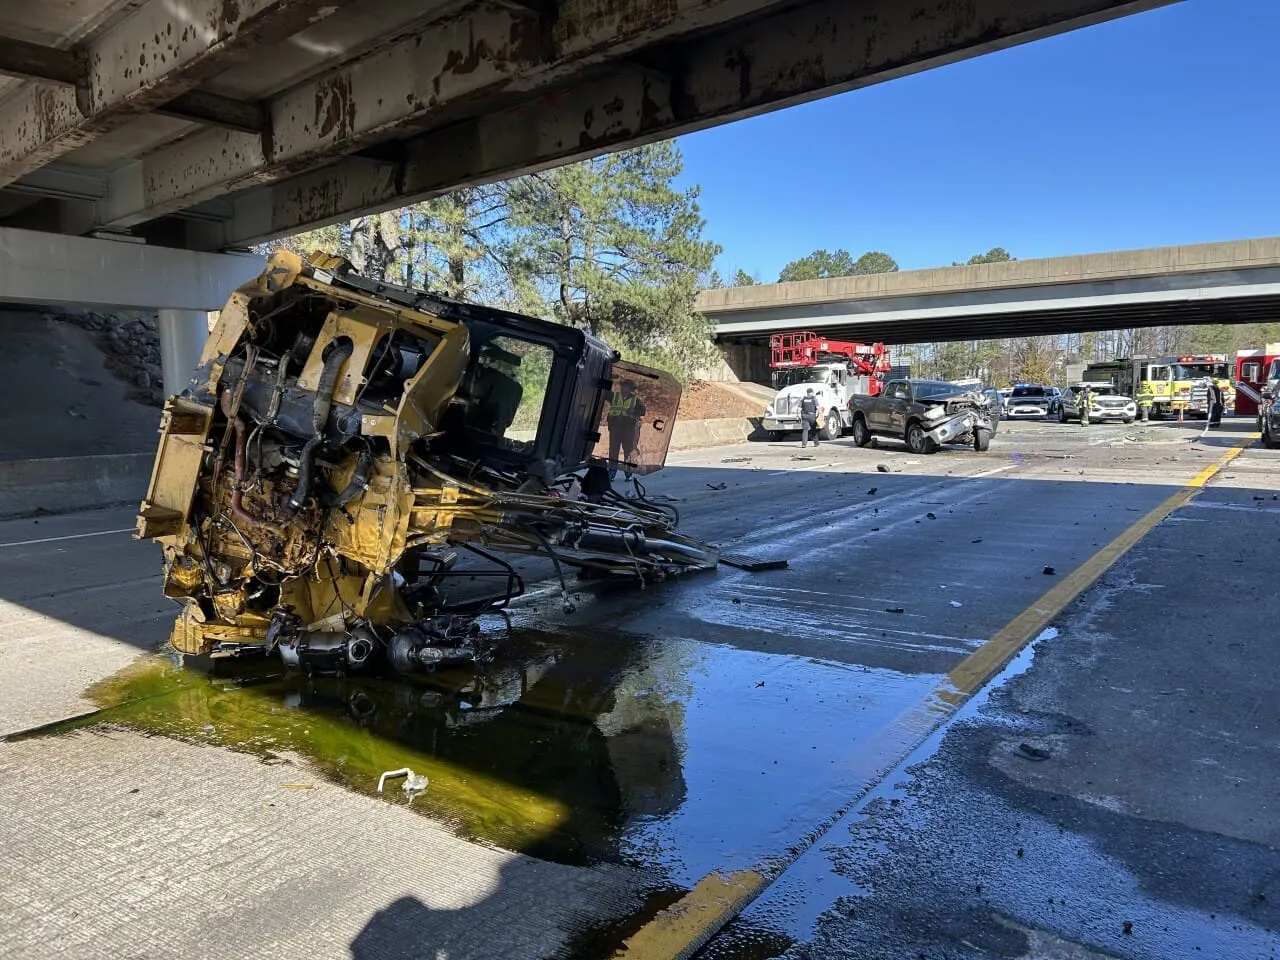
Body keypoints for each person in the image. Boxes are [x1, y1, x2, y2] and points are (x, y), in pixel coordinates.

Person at [606, 379, 645, 480]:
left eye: (626, 387)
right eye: (623, 386)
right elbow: (604, 393)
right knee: (613, 450)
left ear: (631, 389)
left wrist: (635, 411)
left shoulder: (635, 400)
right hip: (615, 427)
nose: (624, 389)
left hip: (628, 428)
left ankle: (628, 473)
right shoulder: (614, 396)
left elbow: (642, 411)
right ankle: (612, 472)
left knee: (628, 450)